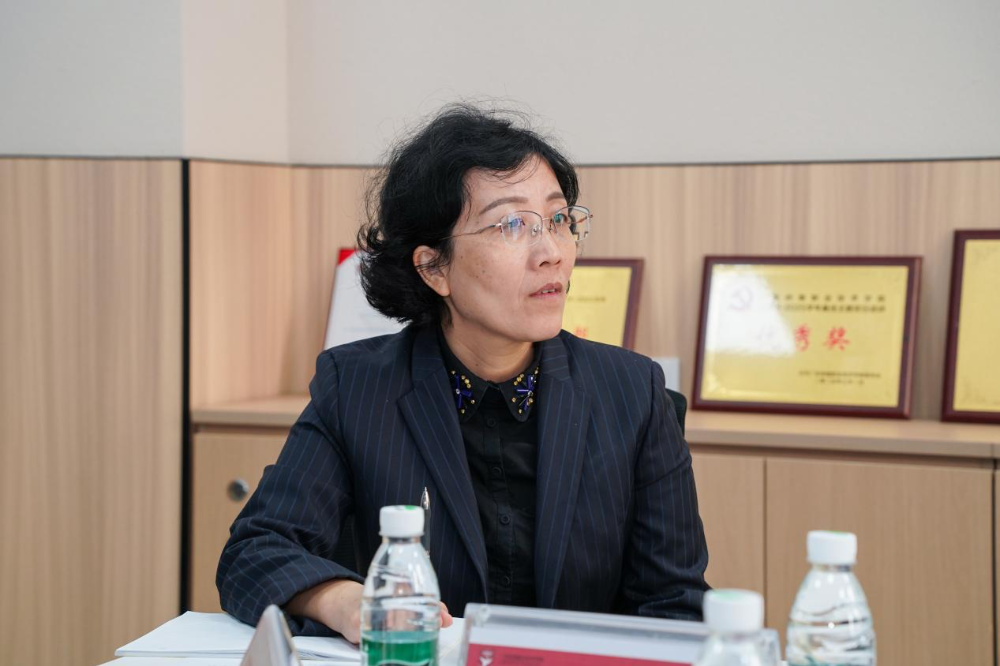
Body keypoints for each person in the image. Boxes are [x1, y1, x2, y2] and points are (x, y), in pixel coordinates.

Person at [217, 104, 710, 642]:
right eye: (512, 225)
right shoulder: (356, 387)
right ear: (434, 267)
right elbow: (254, 552)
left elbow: (675, 604)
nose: (551, 253)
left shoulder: (631, 392)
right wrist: (342, 599)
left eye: (559, 220)